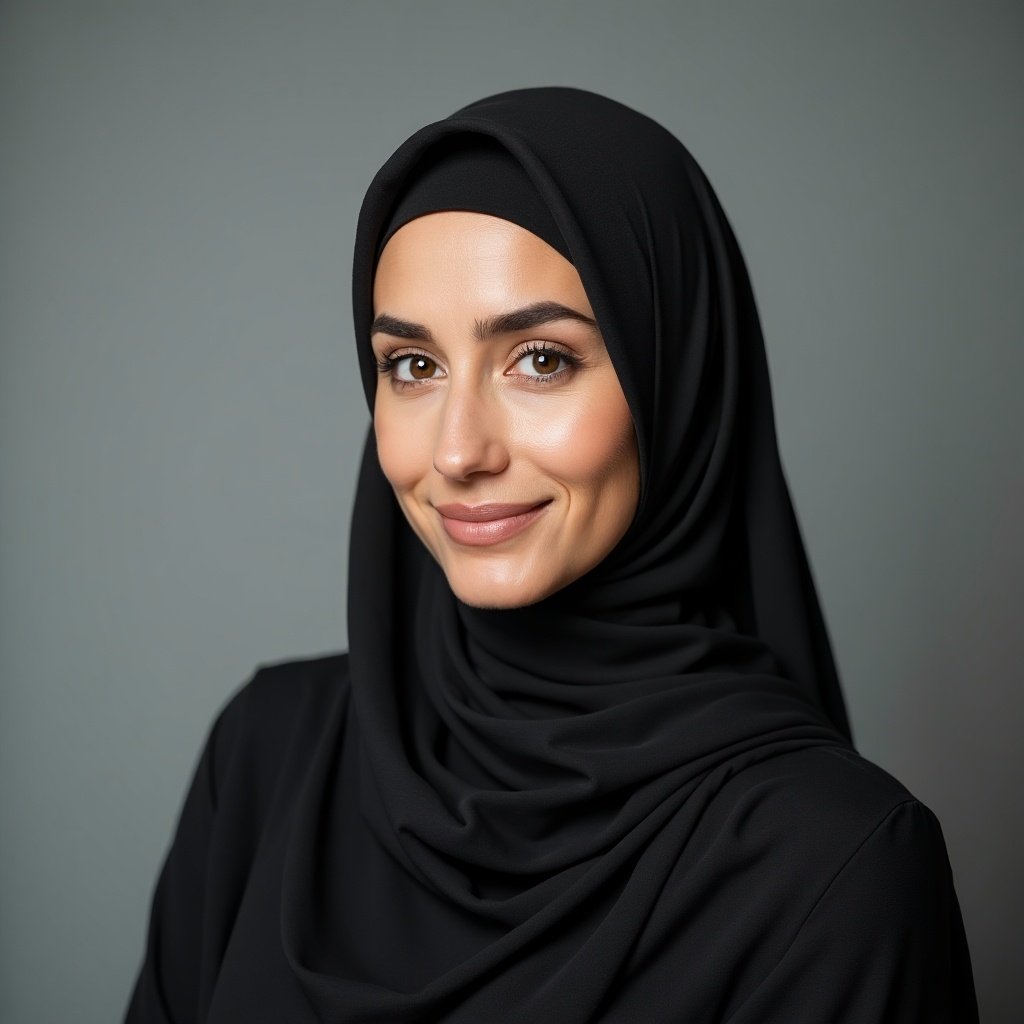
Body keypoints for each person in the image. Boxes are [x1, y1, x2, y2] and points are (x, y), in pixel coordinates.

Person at [125, 87, 977, 1022]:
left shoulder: (833, 863)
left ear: (675, 378)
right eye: (413, 366)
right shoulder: (268, 755)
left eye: (540, 359)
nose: (457, 451)